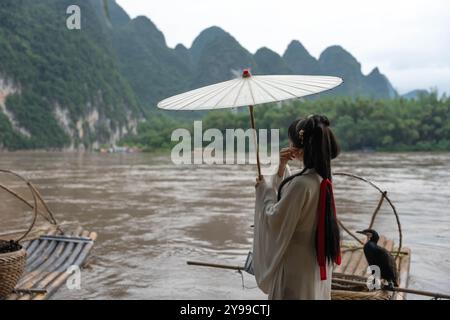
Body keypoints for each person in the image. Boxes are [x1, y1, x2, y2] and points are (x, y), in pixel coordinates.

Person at [253, 114, 341, 299]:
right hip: (313, 262)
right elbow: (288, 198)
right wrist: (281, 167)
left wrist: (263, 189)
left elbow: (274, 219)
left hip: (295, 267)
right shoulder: (319, 179)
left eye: (291, 142)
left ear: (299, 149)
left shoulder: (301, 184)